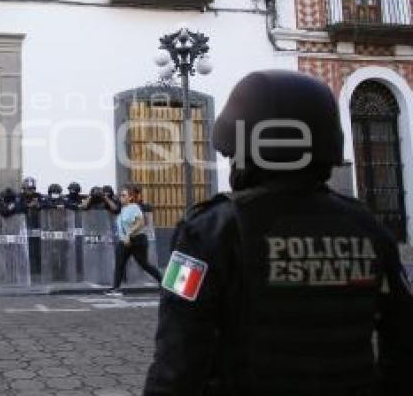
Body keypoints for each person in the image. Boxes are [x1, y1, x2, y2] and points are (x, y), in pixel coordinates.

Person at [144, 70, 413, 396]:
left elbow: (177, 358)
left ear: (246, 154)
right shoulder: (368, 227)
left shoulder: (207, 232)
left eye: (232, 156)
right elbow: (401, 341)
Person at [108, 184, 162, 295]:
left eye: (123, 195)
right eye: (120, 195)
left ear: (130, 197)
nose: (121, 197)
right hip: (124, 241)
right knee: (119, 263)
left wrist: (128, 234)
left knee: (144, 264)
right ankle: (115, 288)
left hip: (138, 240)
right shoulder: (122, 209)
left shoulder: (134, 207)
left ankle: (163, 281)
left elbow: (140, 223)